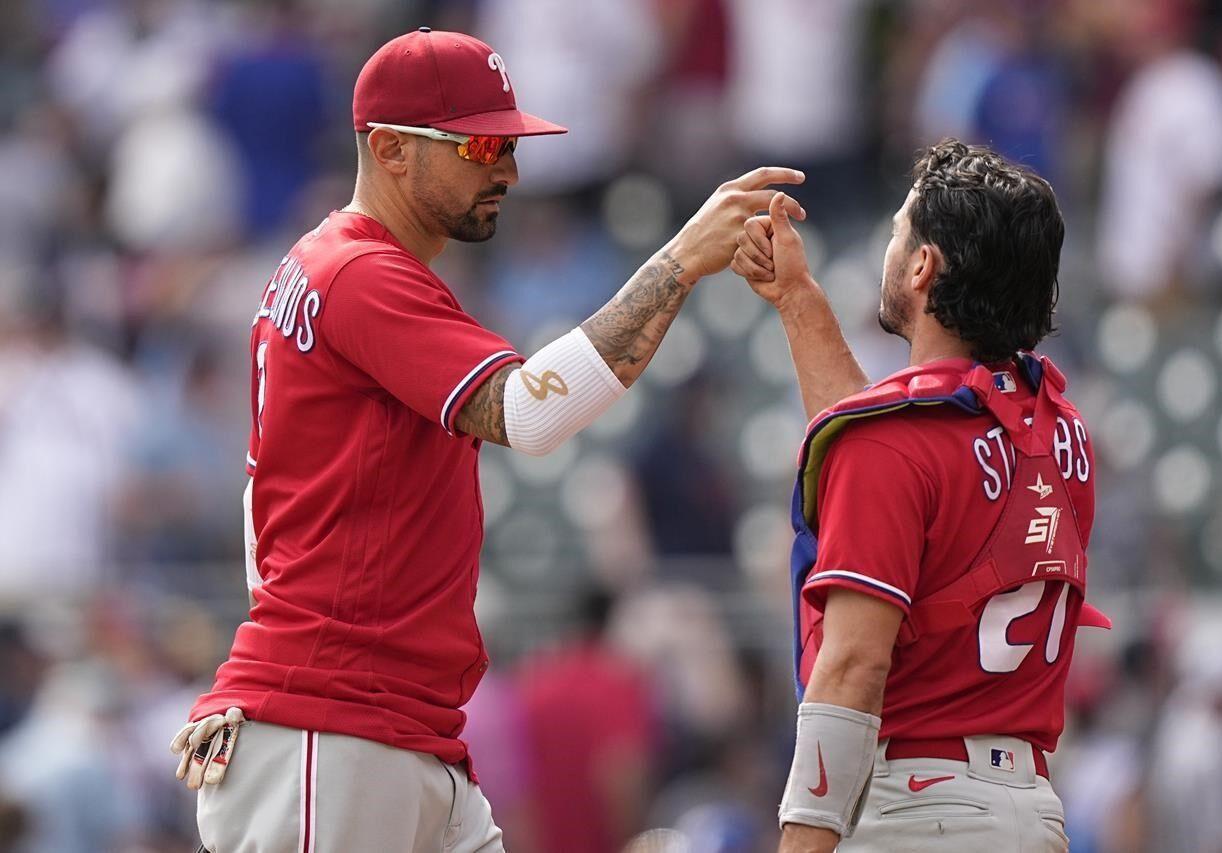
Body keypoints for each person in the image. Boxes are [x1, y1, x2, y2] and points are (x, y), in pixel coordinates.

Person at [168, 27, 805, 853]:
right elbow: (530, 414)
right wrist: (680, 261)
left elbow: (266, 516)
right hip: (333, 724)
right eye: (478, 143)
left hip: (382, 724)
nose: (505, 167)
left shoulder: (327, 266)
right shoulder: (360, 271)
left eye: (507, 142)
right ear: (391, 149)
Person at [731, 138, 1110, 852]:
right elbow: (884, 454)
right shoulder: (1064, 431)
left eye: (900, 229)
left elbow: (854, 666)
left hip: (917, 812)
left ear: (922, 265)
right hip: (1031, 806)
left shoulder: (894, 443)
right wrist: (798, 300)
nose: (891, 242)